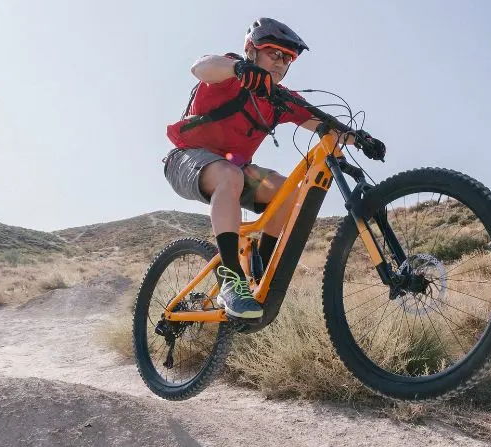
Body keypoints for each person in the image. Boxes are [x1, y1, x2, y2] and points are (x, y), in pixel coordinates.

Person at [163, 18, 386, 320]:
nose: (281, 62)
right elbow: (200, 67)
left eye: (288, 58)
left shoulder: (281, 99)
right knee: (229, 176)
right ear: (251, 50)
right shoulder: (229, 71)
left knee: (289, 193)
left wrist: (359, 138)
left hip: (237, 169)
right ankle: (232, 279)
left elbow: (321, 124)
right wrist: (239, 69)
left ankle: (261, 274)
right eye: (273, 53)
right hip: (187, 159)